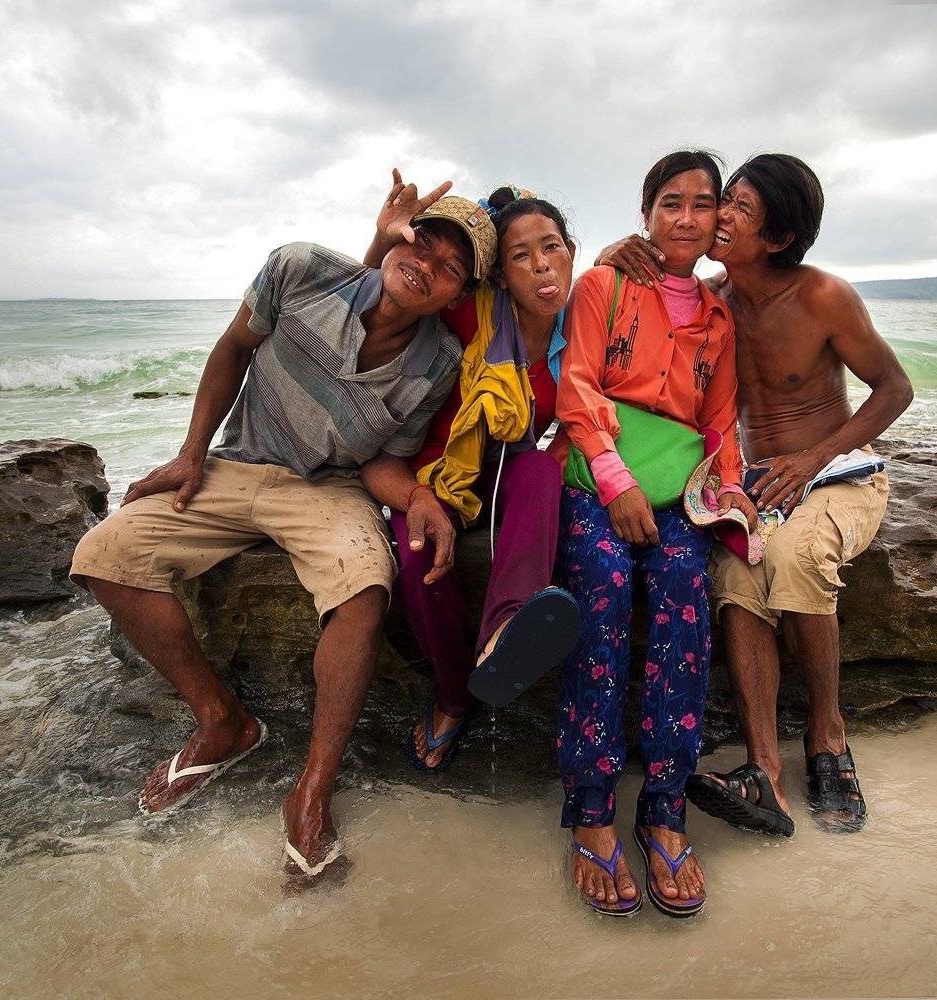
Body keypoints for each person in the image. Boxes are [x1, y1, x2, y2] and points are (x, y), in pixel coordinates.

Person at [69, 195, 496, 882]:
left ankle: (313, 789)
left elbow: (381, 460)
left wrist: (420, 498)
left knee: (363, 588)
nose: (427, 266)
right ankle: (221, 721)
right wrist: (189, 453)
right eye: (423, 243)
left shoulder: (438, 361)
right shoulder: (300, 270)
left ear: (459, 294)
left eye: (450, 268)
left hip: (329, 490)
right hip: (234, 466)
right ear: (398, 236)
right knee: (103, 554)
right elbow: (235, 346)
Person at [599, 152, 914, 834]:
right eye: (726, 200)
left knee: (796, 556)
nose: (720, 217)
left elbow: (895, 388)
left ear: (776, 239)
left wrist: (815, 455)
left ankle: (828, 738)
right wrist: (612, 255)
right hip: (759, 483)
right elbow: (629, 324)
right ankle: (763, 772)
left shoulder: (822, 296)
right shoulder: (713, 301)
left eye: (740, 209)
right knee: (739, 577)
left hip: (838, 472)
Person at [553, 150, 750, 917]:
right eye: (672, 202)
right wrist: (616, 479)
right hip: (600, 480)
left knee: (682, 593)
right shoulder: (605, 284)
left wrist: (727, 499)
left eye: (703, 205)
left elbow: (718, 423)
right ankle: (593, 810)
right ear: (645, 212)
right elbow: (578, 388)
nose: (687, 218)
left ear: (716, 221)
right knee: (599, 594)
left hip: (677, 497)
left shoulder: (719, 317)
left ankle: (665, 804)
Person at [363, 173, 581, 772]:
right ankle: (455, 696)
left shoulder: (578, 334)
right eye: (520, 256)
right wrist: (385, 241)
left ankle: (507, 627)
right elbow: (383, 304)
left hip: (506, 475)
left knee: (541, 469)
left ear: (571, 252)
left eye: (552, 248)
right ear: (501, 274)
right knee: (418, 561)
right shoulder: (471, 318)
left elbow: (591, 405)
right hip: (432, 474)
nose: (541, 267)